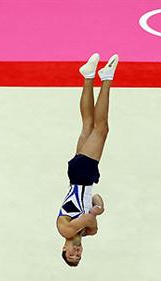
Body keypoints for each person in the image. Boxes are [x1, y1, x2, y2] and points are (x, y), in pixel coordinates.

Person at [56, 53, 118, 267]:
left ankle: (107, 77)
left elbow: (92, 219)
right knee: (89, 125)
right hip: (80, 176)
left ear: (64, 248)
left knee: (102, 129)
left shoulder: (65, 229)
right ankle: (88, 76)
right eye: (79, 256)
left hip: (82, 175)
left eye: (71, 254)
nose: (76, 251)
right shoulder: (83, 232)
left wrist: (96, 213)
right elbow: (97, 199)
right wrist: (97, 208)